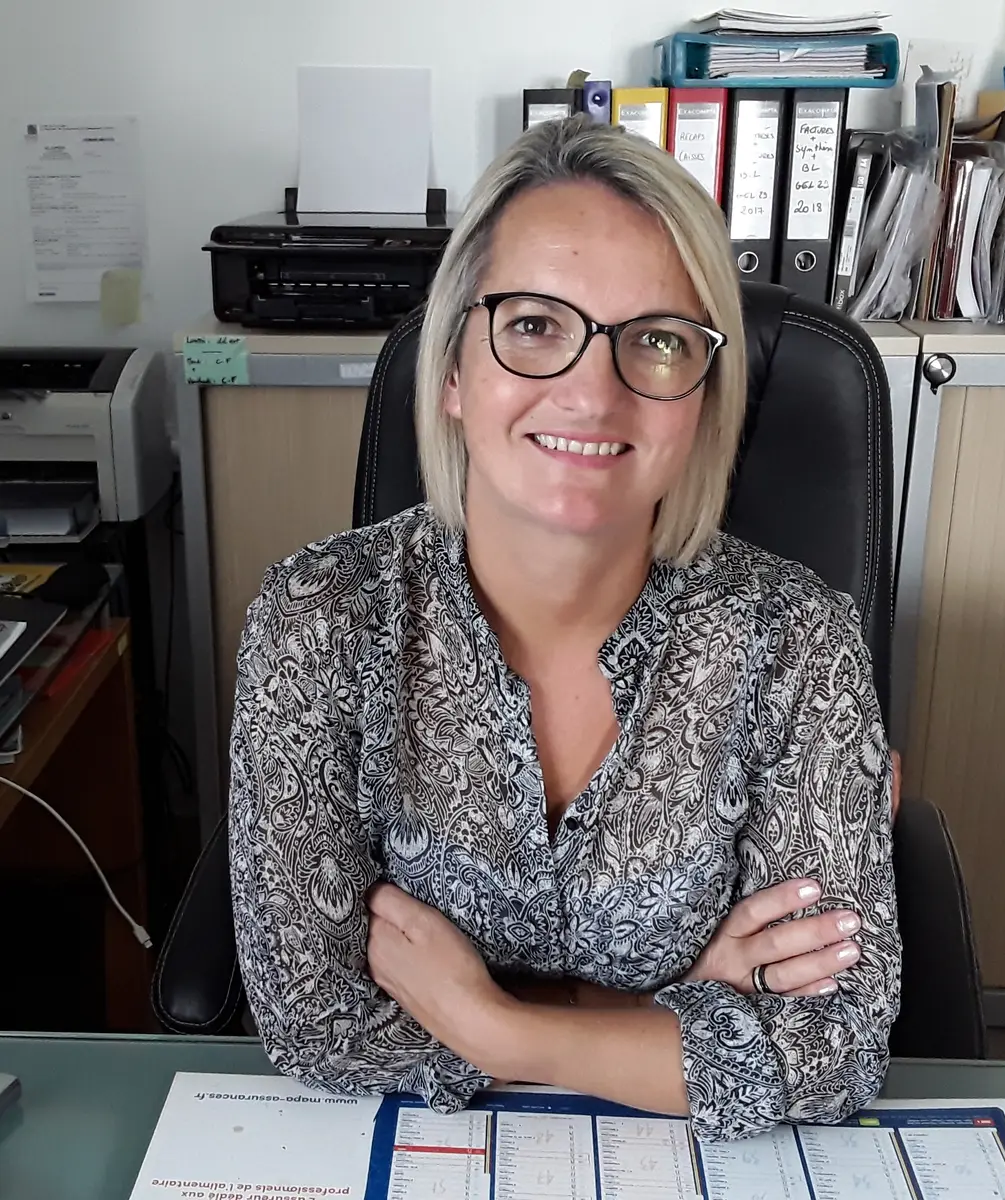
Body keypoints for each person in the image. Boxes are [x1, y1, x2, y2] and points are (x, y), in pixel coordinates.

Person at [228, 114, 900, 1144]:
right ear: (454, 370)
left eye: (659, 340)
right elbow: (315, 1023)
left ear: (704, 401)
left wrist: (497, 1027)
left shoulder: (798, 639)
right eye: (535, 324)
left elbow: (837, 1045)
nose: (592, 391)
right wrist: (678, 1012)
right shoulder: (322, 620)